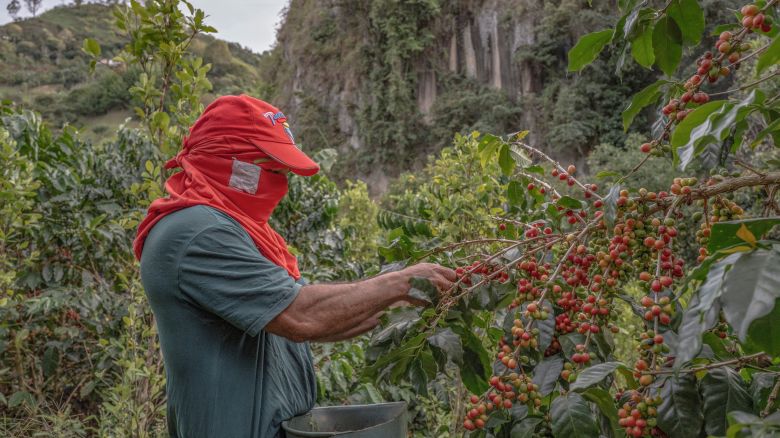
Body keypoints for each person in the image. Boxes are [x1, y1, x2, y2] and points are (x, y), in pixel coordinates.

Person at [133, 95, 456, 438]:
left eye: (283, 172)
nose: (280, 183)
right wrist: (400, 284)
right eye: (271, 170)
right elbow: (303, 316)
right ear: (229, 161)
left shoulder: (242, 231)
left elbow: (325, 322)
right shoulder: (198, 232)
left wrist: (402, 300)